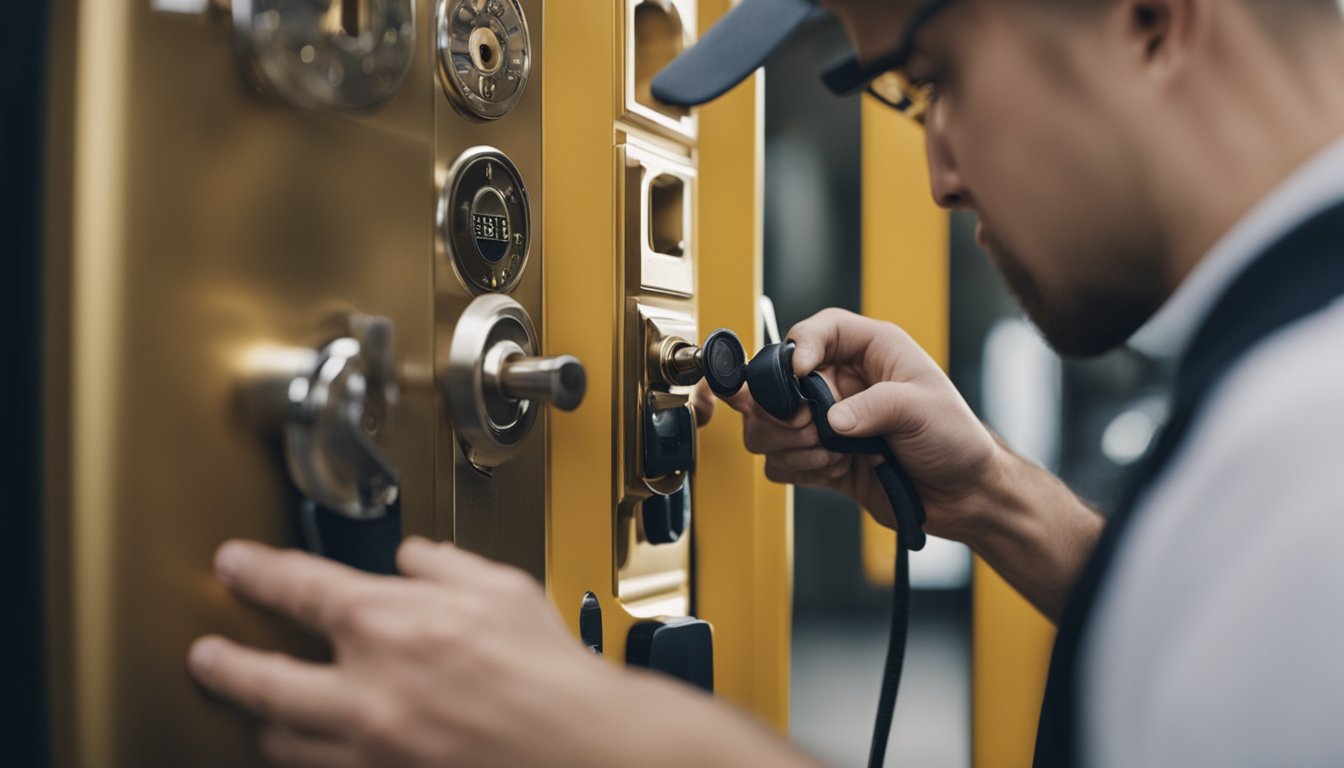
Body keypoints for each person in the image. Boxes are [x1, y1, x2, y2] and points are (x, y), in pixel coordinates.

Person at [187, 0, 1344, 765]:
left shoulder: (1307, 451)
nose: (941, 172)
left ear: (1151, 20)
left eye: (929, 77)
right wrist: (994, 497)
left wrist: (617, 739)